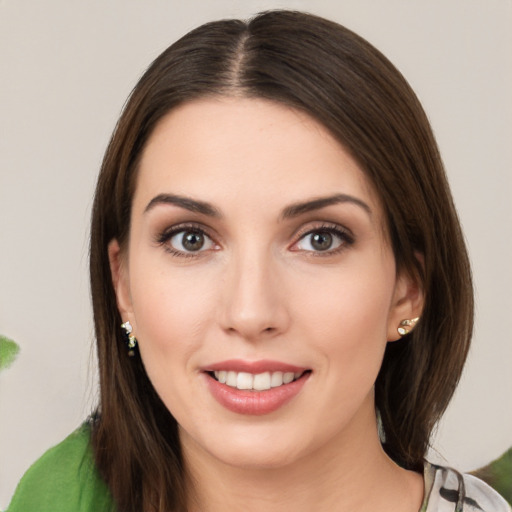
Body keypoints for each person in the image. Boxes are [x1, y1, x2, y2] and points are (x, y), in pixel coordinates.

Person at [6, 9, 511, 512]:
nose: (250, 313)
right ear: (123, 285)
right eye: (190, 240)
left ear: (408, 288)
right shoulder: (56, 498)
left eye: (320, 240)